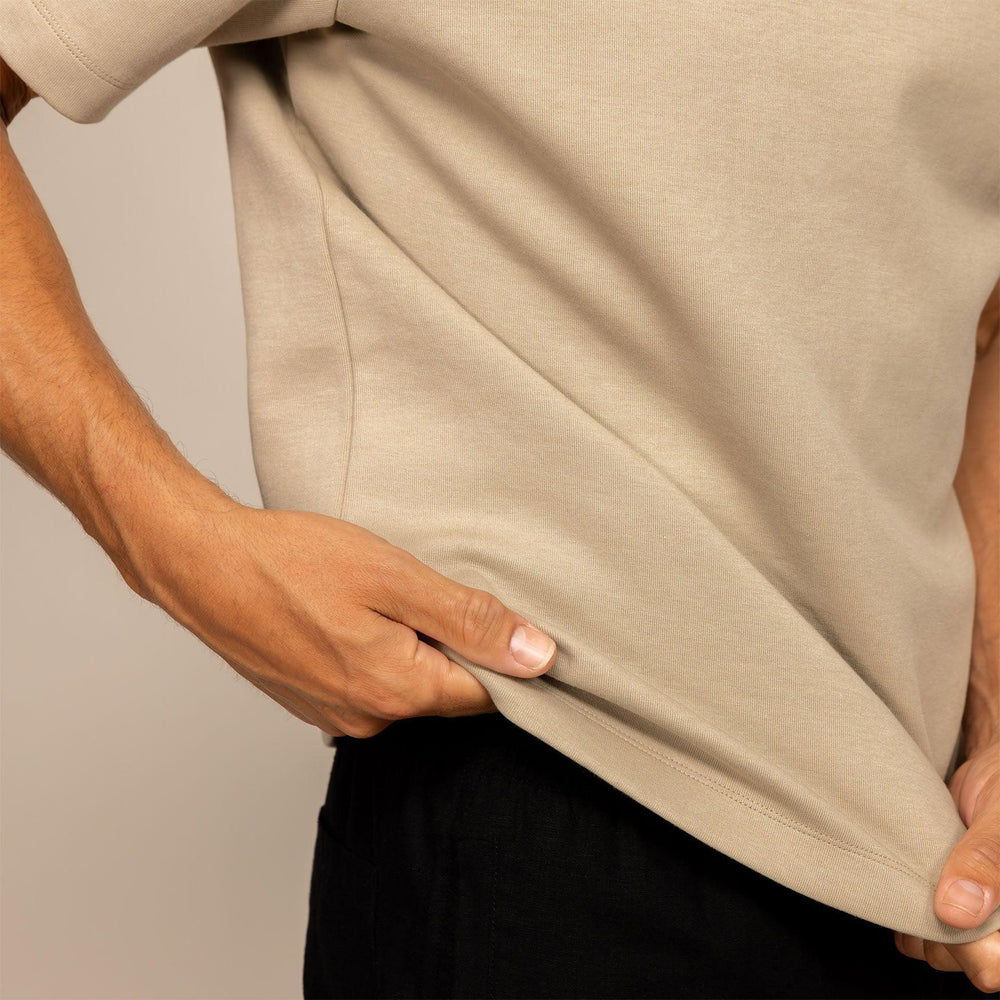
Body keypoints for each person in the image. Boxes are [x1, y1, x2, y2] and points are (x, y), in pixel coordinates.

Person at [1, 3, 998, 996]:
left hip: (918, 866)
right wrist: (177, 545)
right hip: (554, 781)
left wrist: (992, 715)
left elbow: (974, 306)